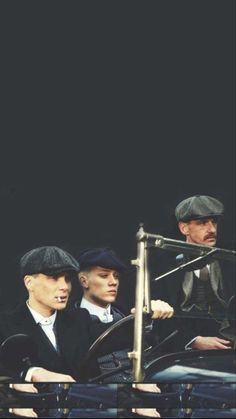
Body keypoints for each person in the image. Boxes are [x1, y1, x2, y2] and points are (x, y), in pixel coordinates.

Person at [0, 246, 102, 382]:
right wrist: (32, 373)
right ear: (29, 283)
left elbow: (112, 343)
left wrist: (137, 322)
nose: (65, 286)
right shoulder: (5, 325)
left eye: (67, 279)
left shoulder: (81, 319)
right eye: (54, 278)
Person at [76, 247, 174, 381]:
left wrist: (150, 314)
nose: (113, 282)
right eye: (104, 276)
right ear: (84, 281)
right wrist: (140, 321)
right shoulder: (69, 320)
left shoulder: (123, 312)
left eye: (116, 276)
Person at [155, 195, 235, 351]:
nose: (212, 229)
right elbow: (159, 321)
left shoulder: (230, 263)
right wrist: (192, 341)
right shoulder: (167, 269)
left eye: (214, 222)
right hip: (183, 357)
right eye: (203, 223)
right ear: (184, 228)